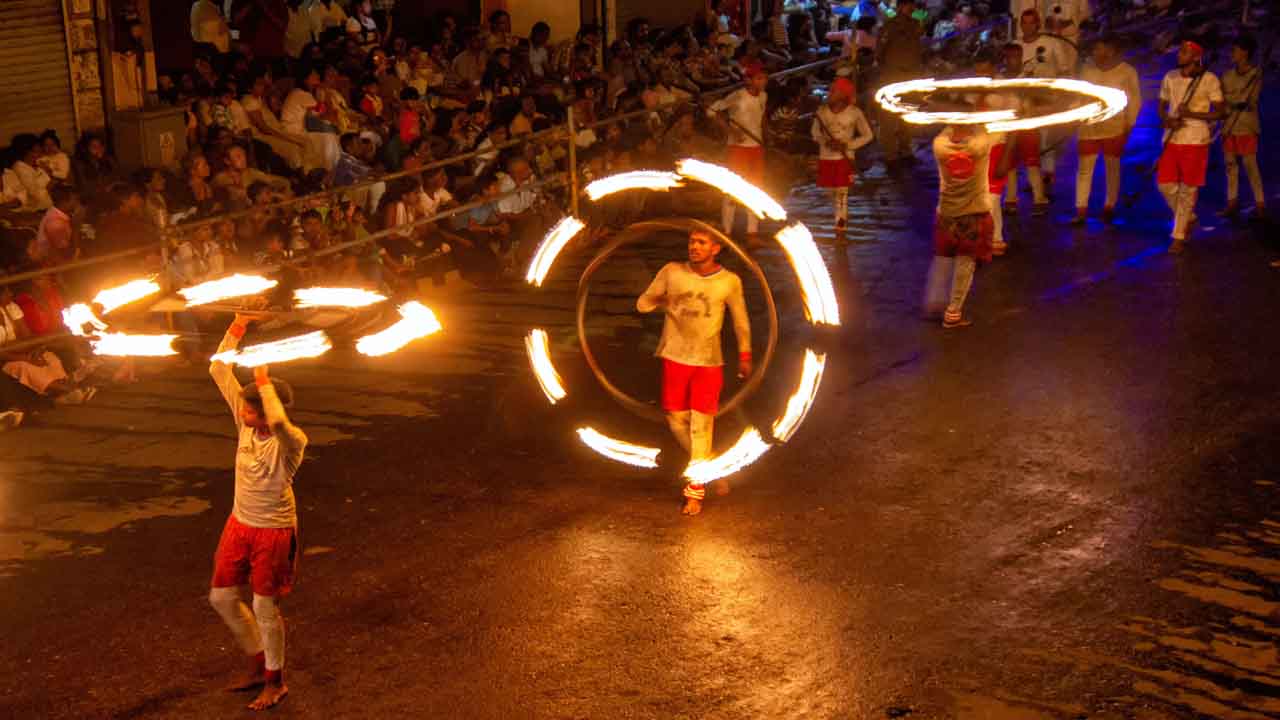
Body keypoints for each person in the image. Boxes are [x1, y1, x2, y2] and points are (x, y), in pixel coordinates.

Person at [207, 314, 307, 711]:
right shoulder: (246, 424)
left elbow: (279, 420)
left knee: (265, 607)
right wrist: (238, 325)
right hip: (240, 523)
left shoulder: (291, 440)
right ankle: (256, 661)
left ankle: (275, 680)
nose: (243, 414)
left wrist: (264, 382)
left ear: (264, 410)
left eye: (251, 409)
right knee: (221, 598)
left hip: (274, 530)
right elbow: (218, 367)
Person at [636, 229, 752, 516]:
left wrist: (745, 355)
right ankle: (711, 466)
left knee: (702, 426)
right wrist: (665, 301)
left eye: (702, 242)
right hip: (674, 356)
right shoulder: (672, 271)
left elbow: (740, 321)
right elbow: (642, 303)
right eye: (691, 241)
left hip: (709, 361)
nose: (694, 247)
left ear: (716, 248)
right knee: (676, 422)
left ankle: (694, 492)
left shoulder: (728, 281)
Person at [924, 117, 1007, 328]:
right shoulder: (981, 144)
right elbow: (1002, 128)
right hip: (973, 215)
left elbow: (948, 129)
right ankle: (953, 312)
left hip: (947, 214)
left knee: (943, 258)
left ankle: (935, 303)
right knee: (965, 263)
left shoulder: (939, 145)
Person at [1158, 40, 1223, 254]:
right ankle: (1188, 217)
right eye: (1180, 51)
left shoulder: (1209, 79)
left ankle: (1178, 236)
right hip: (1172, 138)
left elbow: (1219, 112)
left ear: (1196, 57)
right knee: (1165, 185)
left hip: (1196, 140)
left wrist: (1191, 114)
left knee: (1188, 190)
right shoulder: (1170, 77)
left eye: (1184, 52)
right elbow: (1162, 106)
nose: (1179, 55)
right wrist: (1168, 120)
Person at [1073, 34, 1141, 224]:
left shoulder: (1127, 72)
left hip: (1115, 127)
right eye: (1093, 49)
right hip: (1089, 128)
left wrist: (1129, 125)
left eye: (1098, 48)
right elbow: (1079, 97)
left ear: (1110, 50)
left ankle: (1109, 204)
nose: (1094, 53)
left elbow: (1134, 101)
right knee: (1085, 169)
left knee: (1112, 167)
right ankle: (1081, 209)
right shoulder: (1087, 71)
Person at [708, 61, 769, 240]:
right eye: (759, 78)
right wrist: (730, 130)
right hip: (737, 148)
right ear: (749, 80)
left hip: (756, 147)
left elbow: (761, 117)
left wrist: (767, 135)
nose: (763, 81)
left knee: (755, 189)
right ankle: (726, 231)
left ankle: (752, 232)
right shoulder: (737, 96)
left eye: (764, 78)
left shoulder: (764, 96)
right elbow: (712, 111)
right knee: (732, 189)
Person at [811, 77, 874, 236]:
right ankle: (839, 219)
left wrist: (847, 145)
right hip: (826, 158)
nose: (830, 93)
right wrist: (825, 142)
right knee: (831, 192)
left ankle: (841, 226)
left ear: (843, 95)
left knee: (842, 193)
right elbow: (815, 132)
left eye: (834, 91)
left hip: (844, 159)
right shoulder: (822, 111)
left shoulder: (855, 113)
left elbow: (867, 135)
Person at [1221, 35, 1265, 219]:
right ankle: (1232, 203)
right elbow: (1222, 101)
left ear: (1245, 53)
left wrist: (1233, 101)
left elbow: (1251, 101)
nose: (1232, 53)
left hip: (1246, 126)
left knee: (1250, 165)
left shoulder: (1256, 75)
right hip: (1229, 127)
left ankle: (1260, 204)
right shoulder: (1227, 76)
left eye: (1236, 49)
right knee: (1230, 166)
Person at [1001, 43, 1048, 214]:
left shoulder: (1028, 78)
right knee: (1010, 164)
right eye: (1009, 57)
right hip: (1008, 125)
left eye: (1016, 57)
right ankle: (1011, 198)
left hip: (1027, 126)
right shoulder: (999, 80)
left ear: (1021, 58)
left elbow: (1039, 99)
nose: (1013, 61)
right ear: (1004, 59)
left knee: (1032, 163)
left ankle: (1039, 199)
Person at [876, 0, 924, 164]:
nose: (911, 8)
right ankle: (890, 154)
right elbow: (880, 52)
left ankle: (905, 150)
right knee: (889, 117)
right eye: (908, 5)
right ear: (900, 7)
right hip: (893, 75)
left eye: (912, 5)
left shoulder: (916, 25)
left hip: (911, 75)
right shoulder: (889, 27)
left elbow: (919, 50)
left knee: (908, 114)